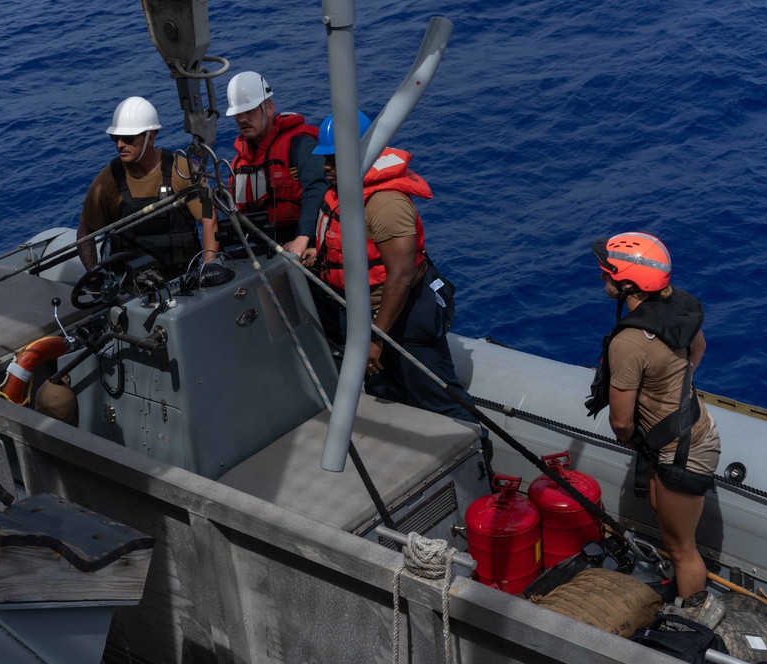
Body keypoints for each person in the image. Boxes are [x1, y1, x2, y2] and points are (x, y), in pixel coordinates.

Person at [302, 112, 475, 424]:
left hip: (403, 317)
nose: (326, 166)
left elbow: (400, 275)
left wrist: (376, 339)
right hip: (362, 314)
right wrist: (318, 253)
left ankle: (478, 455)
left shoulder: (386, 205)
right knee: (384, 391)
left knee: (439, 398)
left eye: (334, 158)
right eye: (325, 158)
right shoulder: (342, 194)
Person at [587, 231, 721, 603]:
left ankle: (692, 621)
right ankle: (681, 592)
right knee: (662, 511)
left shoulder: (627, 343)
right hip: (684, 432)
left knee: (682, 549)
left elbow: (621, 422)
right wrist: (677, 382)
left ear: (629, 282)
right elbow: (700, 347)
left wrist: (633, 437)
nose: (602, 277)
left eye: (607, 272)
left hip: (683, 449)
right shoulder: (678, 303)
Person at [77, 96, 219, 280]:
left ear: (150, 137)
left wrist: (208, 269)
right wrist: (95, 278)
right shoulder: (106, 183)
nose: (120, 144)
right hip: (128, 291)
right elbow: (86, 230)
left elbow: (209, 219)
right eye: (115, 138)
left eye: (128, 138)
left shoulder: (182, 171)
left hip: (183, 282)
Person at [226, 72, 327, 256]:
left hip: (302, 242)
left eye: (250, 111)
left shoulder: (299, 146)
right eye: (238, 114)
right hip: (258, 249)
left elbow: (317, 188)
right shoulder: (238, 163)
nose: (242, 119)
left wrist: (303, 238)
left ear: (270, 108)